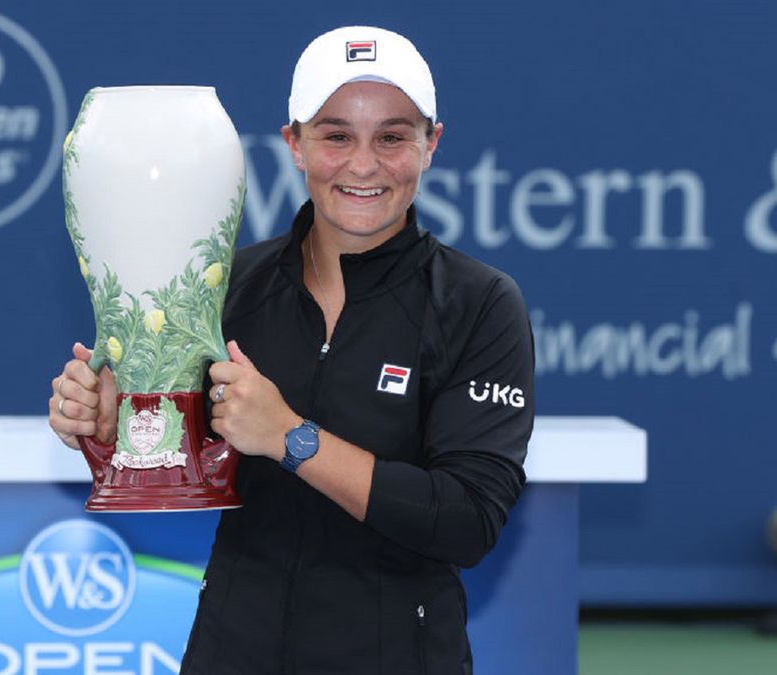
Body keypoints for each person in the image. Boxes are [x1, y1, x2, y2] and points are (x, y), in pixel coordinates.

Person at [49, 25, 534, 675]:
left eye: (392, 136)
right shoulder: (223, 288)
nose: (364, 164)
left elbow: (467, 520)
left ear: (430, 144)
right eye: (336, 135)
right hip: (233, 647)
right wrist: (117, 427)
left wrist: (292, 437)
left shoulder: (479, 303)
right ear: (294, 144)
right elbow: (178, 469)